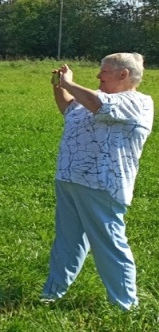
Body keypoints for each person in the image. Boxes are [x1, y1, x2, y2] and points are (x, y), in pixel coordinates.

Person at [41, 53, 153, 309]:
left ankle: (125, 305)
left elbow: (97, 104)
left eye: (104, 71)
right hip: (71, 179)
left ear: (123, 74)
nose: (98, 75)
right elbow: (69, 109)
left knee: (109, 245)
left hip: (102, 184)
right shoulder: (94, 98)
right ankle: (52, 292)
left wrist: (70, 83)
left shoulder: (137, 102)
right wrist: (59, 87)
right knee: (67, 242)